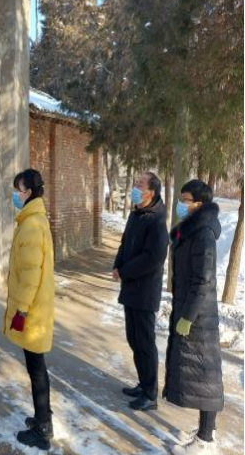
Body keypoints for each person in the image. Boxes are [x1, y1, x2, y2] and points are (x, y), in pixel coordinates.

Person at [166, 180, 224, 455]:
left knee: (206, 378)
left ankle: (205, 441)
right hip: (194, 310)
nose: (181, 204)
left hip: (199, 316)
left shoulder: (204, 234)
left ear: (199, 204)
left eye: (185, 199)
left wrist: (187, 317)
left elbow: (204, 280)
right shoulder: (192, 229)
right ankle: (206, 430)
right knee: (203, 378)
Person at [4, 169, 55, 451]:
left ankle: (43, 429)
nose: (16, 194)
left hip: (32, 312)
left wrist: (21, 311)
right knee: (37, 368)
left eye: (19, 190)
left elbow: (31, 274)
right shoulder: (33, 219)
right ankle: (42, 417)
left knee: (37, 370)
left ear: (29, 193)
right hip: (35, 308)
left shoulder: (32, 225)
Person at [112, 172, 169, 411]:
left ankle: (150, 394)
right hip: (131, 288)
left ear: (151, 192)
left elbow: (153, 258)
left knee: (145, 343)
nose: (135, 187)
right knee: (133, 338)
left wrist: (125, 272)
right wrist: (117, 265)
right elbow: (125, 243)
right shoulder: (136, 213)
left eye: (140, 184)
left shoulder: (157, 220)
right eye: (135, 183)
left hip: (144, 292)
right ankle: (143, 383)